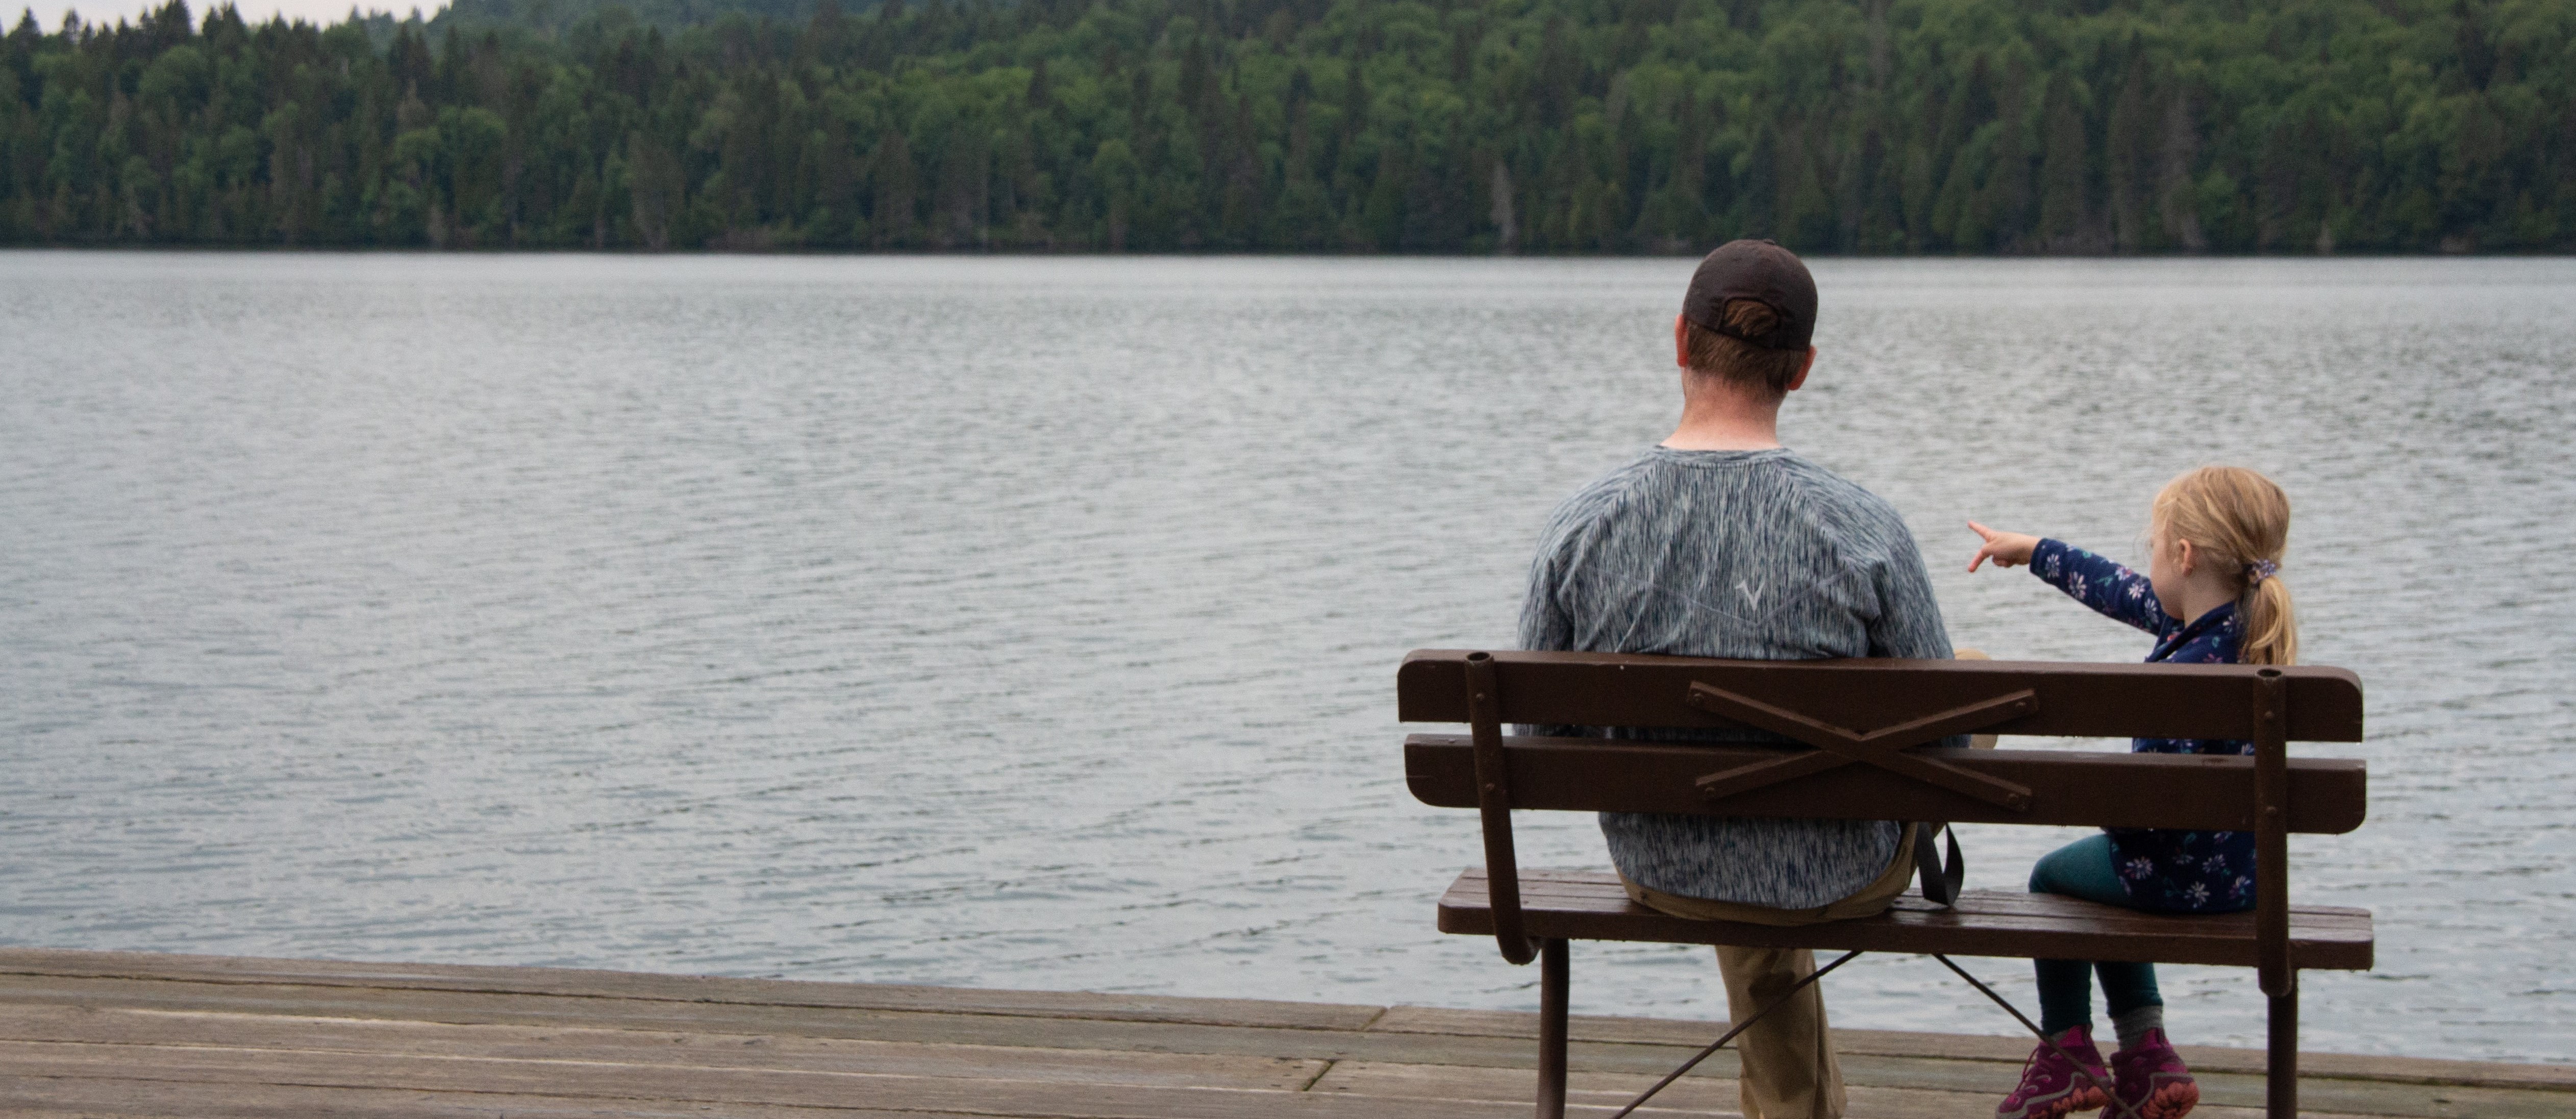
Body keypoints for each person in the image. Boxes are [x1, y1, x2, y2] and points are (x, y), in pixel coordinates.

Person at [1519, 240, 1958, 1119]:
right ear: (1799, 370)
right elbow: (1944, 740)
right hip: (1841, 867)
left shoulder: (1581, 525)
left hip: (1661, 856)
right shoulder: (1862, 527)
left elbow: (1537, 743)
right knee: (1963, 682)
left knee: (1739, 790)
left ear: (1679, 340)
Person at [1964, 466, 2300, 1119]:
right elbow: (2122, 592)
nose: (2147, 566)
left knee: (2057, 880)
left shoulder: (2181, 674)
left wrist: (2118, 826)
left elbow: (2145, 818)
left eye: (2153, 547)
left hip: (2174, 877)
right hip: (2249, 878)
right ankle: (2147, 1058)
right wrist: (2035, 550)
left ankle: (2070, 1056)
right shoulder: (2242, 634)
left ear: (2184, 555)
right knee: (2115, 874)